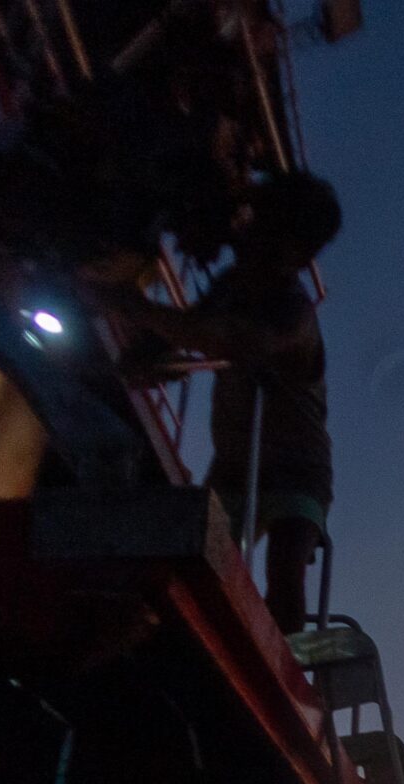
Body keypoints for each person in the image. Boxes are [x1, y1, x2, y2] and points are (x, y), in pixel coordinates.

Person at [105, 170, 339, 631]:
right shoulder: (231, 287)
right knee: (195, 564)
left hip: (300, 474)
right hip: (233, 468)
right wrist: (145, 357)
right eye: (253, 220)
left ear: (293, 251)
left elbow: (223, 338)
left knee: (284, 577)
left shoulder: (294, 312)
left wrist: (132, 306)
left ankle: (286, 660)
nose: (248, 232)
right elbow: (183, 336)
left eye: (266, 226)